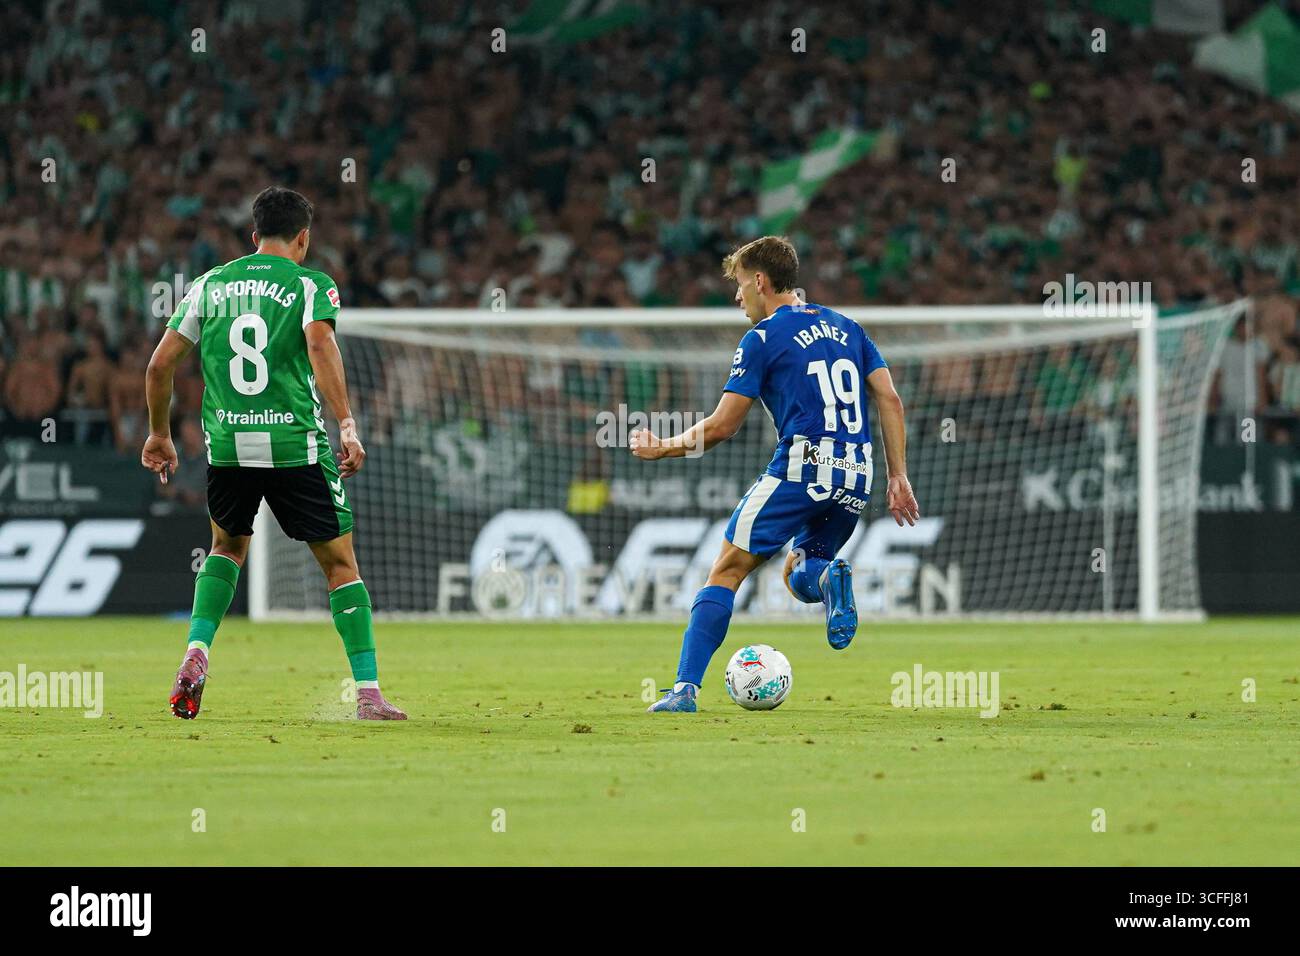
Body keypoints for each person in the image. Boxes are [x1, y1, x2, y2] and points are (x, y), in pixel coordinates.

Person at [141, 186, 405, 721]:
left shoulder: (208, 285)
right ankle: (369, 693)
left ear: (253, 234)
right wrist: (348, 425)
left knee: (226, 548)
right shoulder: (313, 285)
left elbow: (158, 366)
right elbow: (319, 344)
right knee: (339, 566)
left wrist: (159, 434)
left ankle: (196, 652)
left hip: (229, 448)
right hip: (296, 447)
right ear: (303, 238)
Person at [630, 236, 919, 712]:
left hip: (803, 467)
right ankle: (827, 579)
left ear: (761, 281)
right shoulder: (848, 327)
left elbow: (723, 426)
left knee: (726, 570)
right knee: (799, 570)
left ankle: (684, 690)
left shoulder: (761, 339)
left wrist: (664, 448)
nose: (737, 297)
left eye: (741, 285)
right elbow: (889, 399)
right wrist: (898, 475)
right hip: (856, 471)